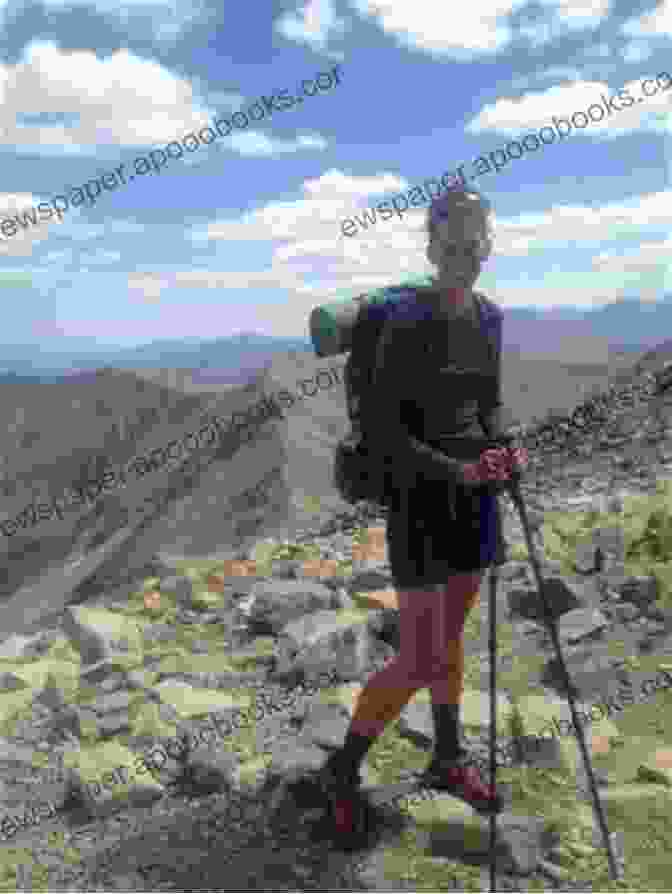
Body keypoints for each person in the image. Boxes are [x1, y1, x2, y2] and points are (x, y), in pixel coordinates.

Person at [312, 186, 529, 843]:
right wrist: (458, 469)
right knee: (418, 654)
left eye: (476, 244)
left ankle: (448, 756)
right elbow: (384, 430)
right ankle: (341, 769)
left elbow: (488, 404)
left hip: (475, 497)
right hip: (419, 497)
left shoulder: (489, 316)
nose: (467, 255)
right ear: (433, 247)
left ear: (487, 243)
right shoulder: (407, 321)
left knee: (452, 641)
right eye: (454, 244)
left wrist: (505, 447)